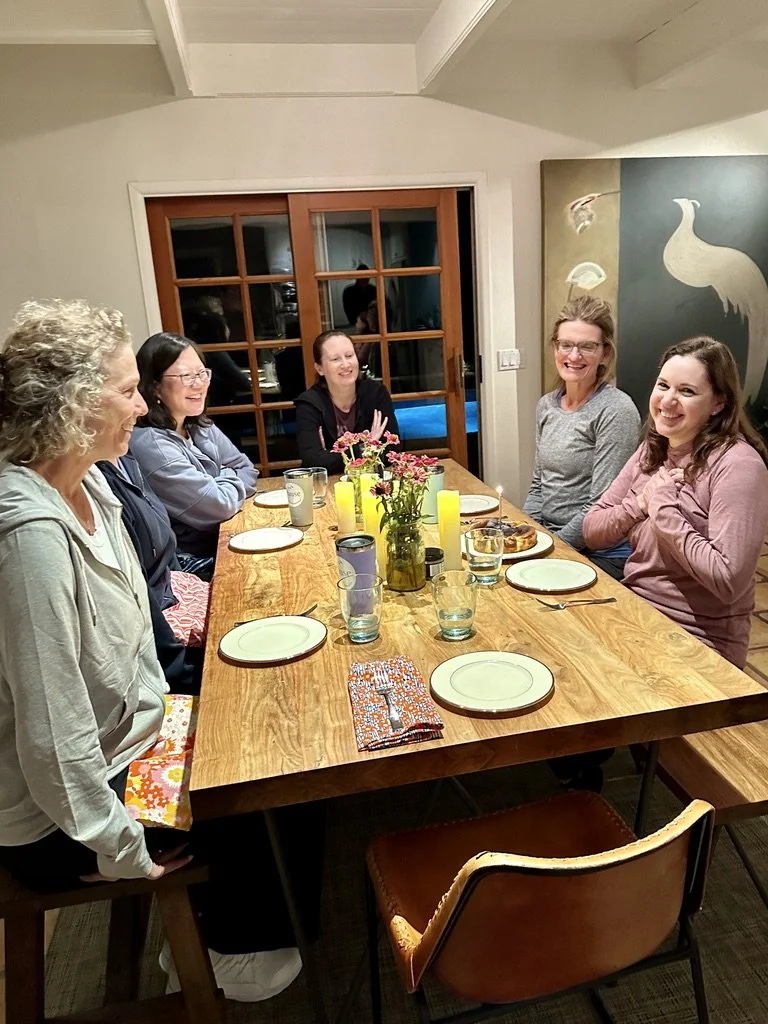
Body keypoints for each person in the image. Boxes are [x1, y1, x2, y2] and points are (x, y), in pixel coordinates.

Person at [0, 298, 318, 1002]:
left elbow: (139, 647)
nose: (142, 408)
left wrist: (186, 709)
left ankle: (233, 920)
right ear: (75, 406)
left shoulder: (91, 492)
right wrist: (117, 847)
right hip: (63, 819)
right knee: (262, 777)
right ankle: (227, 947)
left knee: (280, 730)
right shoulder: (30, 538)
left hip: (132, 742)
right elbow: (54, 736)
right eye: (126, 391)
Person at [583, 336, 768, 670]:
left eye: (687, 391)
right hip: (634, 615)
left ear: (718, 403)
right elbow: (593, 531)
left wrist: (665, 511)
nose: (667, 401)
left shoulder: (738, 465)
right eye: (663, 385)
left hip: (699, 642)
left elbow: (728, 580)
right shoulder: (652, 450)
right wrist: (639, 504)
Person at [523, 296, 641, 580]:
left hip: (600, 551)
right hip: (555, 539)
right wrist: (526, 532)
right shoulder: (546, 405)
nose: (574, 356)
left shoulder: (616, 410)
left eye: (587, 346)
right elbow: (539, 485)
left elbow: (601, 505)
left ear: (605, 353)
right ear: (555, 347)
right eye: (566, 344)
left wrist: (550, 549)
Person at [130, 332, 258, 578]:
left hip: (221, 542)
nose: (198, 384)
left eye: (201, 373)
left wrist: (221, 481)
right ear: (155, 386)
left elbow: (247, 468)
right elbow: (218, 505)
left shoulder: (196, 424)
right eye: (185, 376)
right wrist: (226, 478)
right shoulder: (152, 445)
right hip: (191, 565)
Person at [97, 452, 207, 694]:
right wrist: (183, 670)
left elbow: (165, 545)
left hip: (174, 586)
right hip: (157, 645)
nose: (142, 410)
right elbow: (216, 503)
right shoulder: (96, 480)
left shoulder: (125, 460)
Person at [294, 329, 400, 474]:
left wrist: (332, 457)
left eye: (349, 356)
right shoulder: (309, 404)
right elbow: (313, 462)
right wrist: (365, 448)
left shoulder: (376, 394)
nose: (345, 364)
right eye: (335, 359)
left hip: (370, 482)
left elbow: (391, 451)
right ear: (319, 368)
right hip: (329, 487)